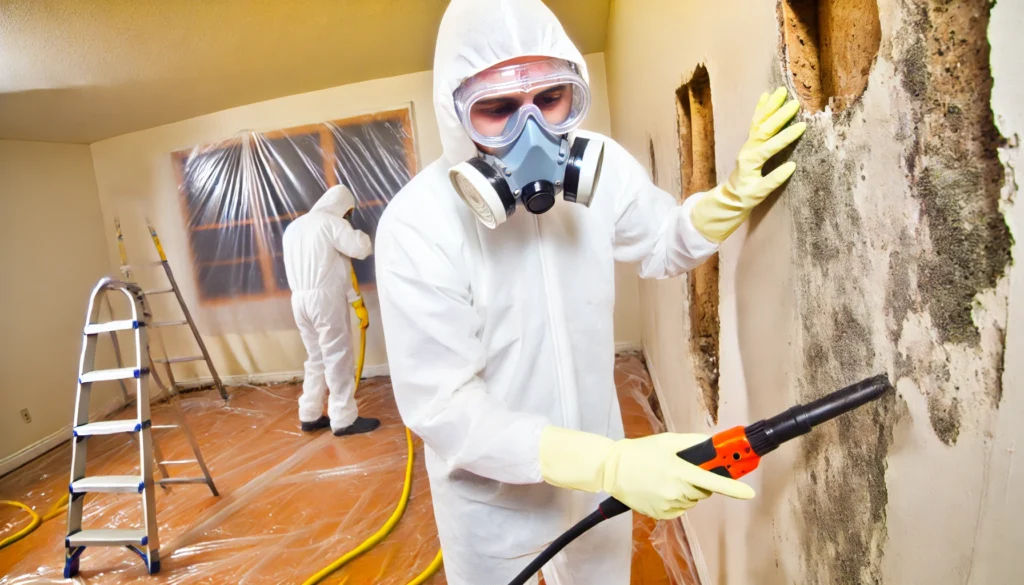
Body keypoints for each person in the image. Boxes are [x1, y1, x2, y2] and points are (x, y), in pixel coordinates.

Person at [374, 0, 806, 582]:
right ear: (456, 117)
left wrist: (729, 197)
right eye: (497, 109)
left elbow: (662, 243)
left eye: (551, 100)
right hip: (497, 502)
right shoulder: (418, 223)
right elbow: (443, 405)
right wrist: (606, 462)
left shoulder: (598, 166)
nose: (533, 133)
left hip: (600, 485)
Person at [283, 184, 380, 436]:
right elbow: (361, 249)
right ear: (342, 207)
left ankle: (309, 413)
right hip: (324, 300)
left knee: (315, 358)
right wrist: (358, 232)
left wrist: (355, 300)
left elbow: (337, 267)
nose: (348, 217)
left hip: (299, 299)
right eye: (347, 212)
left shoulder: (294, 227)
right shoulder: (331, 223)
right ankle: (344, 418)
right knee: (337, 356)